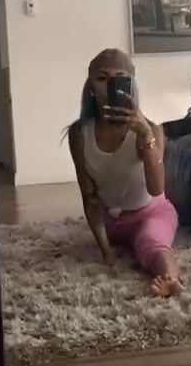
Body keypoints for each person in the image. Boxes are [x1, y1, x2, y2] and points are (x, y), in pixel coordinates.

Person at [67, 48, 182, 298]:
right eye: (102, 78)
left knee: (151, 241)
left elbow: (156, 188)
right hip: (112, 221)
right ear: (90, 86)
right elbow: (89, 197)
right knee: (127, 239)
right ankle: (126, 243)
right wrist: (106, 251)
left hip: (151, 212)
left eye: (120, 78)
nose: (110, 86)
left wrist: (145, 135)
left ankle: (170, 281)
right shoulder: (79, 134)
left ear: (131, 84)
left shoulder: (151, 129)